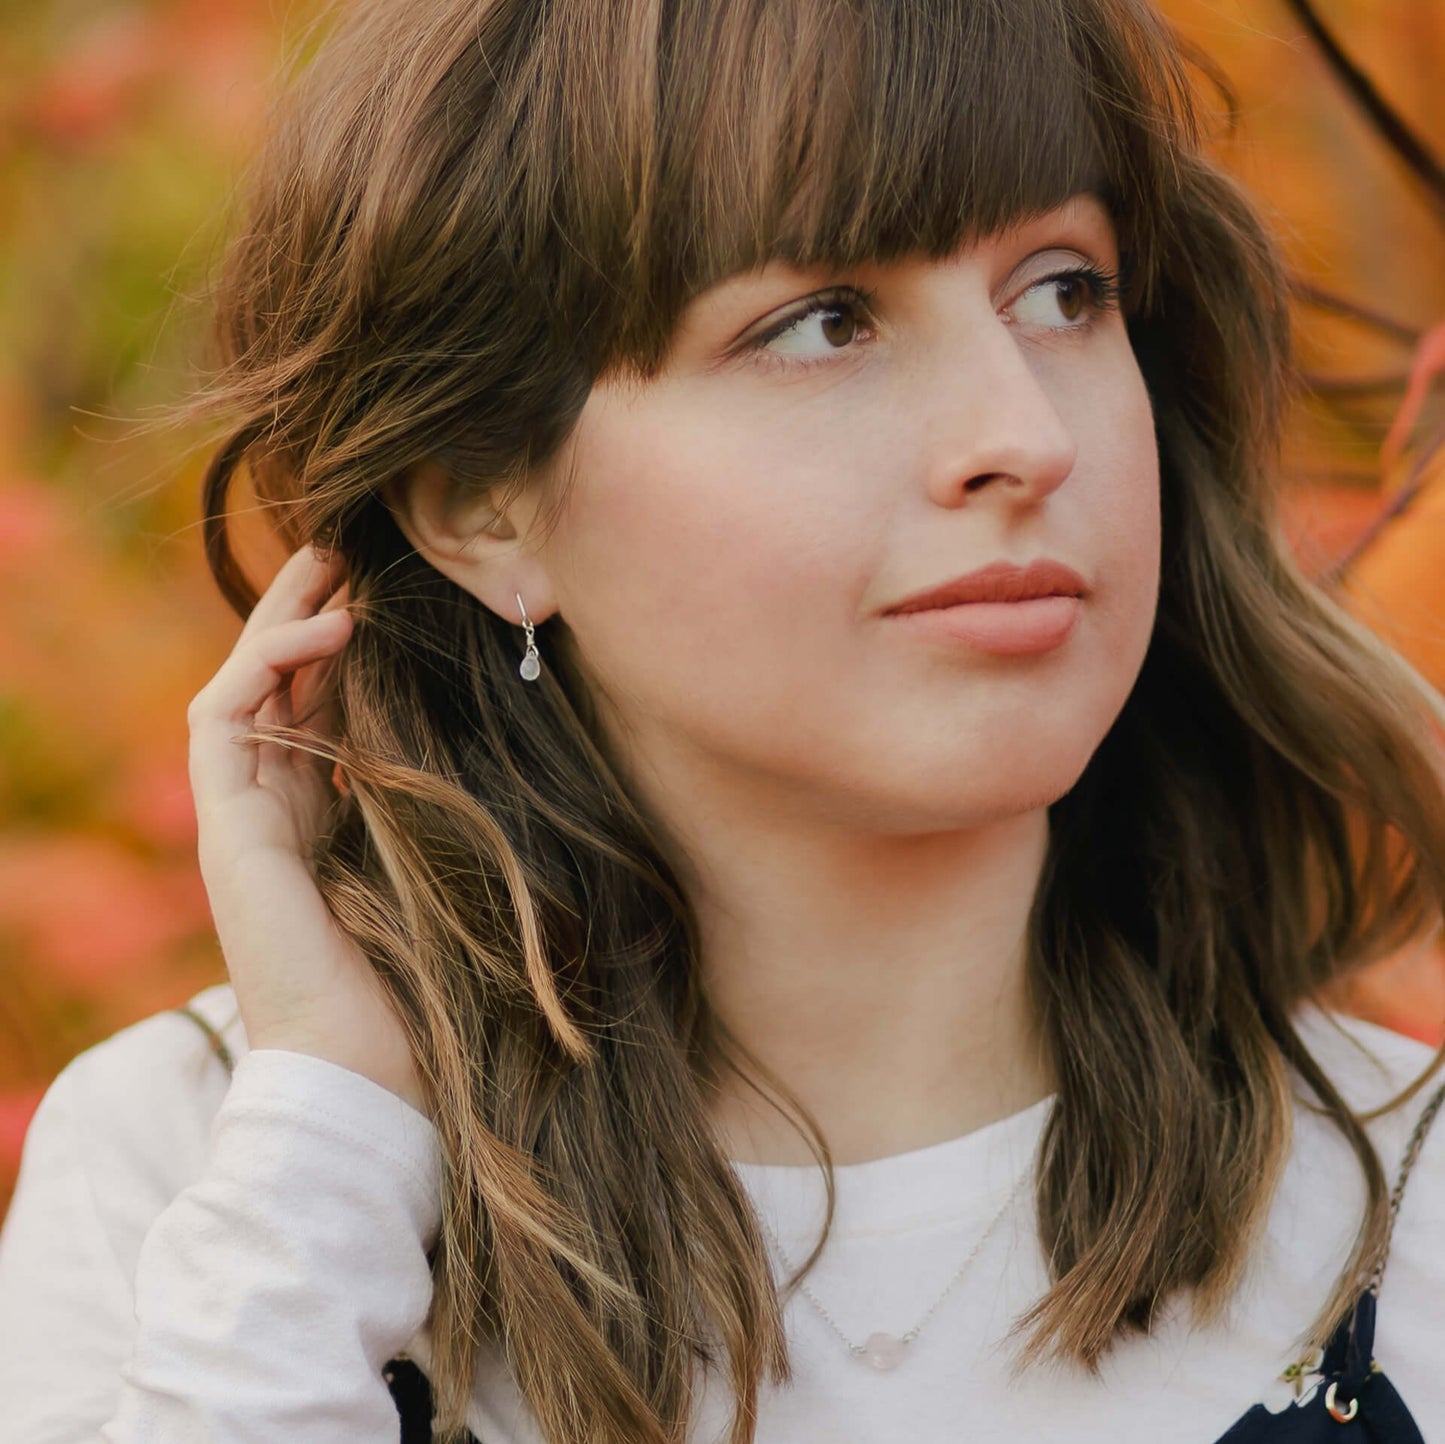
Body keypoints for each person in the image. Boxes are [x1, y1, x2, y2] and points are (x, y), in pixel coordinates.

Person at [2, 0, 1445, 1440]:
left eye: (1064, 290)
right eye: (823, 323)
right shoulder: (203, 1171)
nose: (1024, 433)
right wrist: (328, 1127)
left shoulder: (1410, 1192)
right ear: (481, 504)